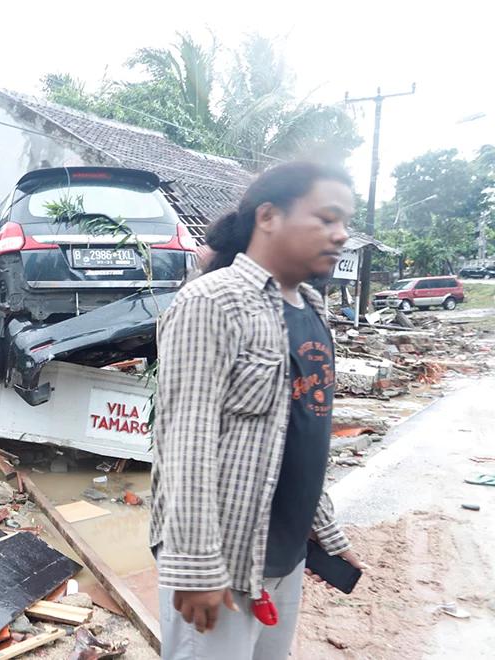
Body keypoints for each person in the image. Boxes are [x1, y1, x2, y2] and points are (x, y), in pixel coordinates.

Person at [150, 162, 367, 659]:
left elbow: (302, 437)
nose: (341, 235)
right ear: (268, 216)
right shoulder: (212, 302)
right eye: (327, 218)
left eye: (345, 222)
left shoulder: (311, 309)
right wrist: (197, 566)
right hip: (222, 562)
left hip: (282, 557)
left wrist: (327, 535)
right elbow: (185, 443)